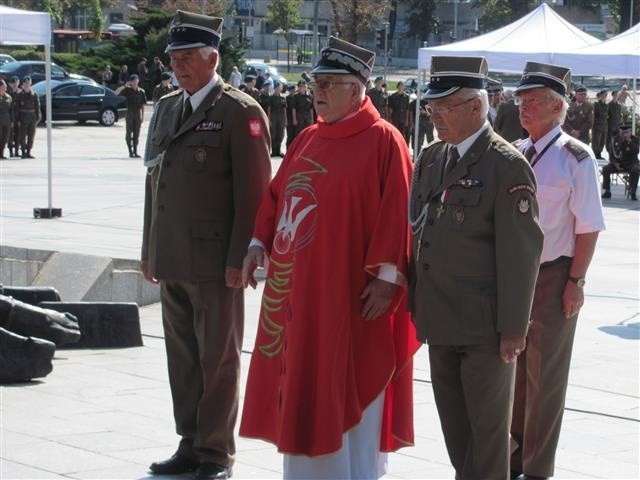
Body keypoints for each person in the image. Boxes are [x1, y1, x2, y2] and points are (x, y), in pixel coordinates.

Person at [239, 36, 419, 479]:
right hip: (297, 297)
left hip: (349, 298)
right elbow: (278, 195)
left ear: (358, 90)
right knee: (303, 386)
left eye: (330, 83)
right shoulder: (307, 138)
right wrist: (258, 244)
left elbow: (400, 209)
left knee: (345, 388)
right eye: (316, 82)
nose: (317, 91)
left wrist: (389, 277)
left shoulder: (384, 140)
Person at [141, 10, 271, 480]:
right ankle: (190, 441)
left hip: (217, 263)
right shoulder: (168, 107)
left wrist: (242, 256)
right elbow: (155, 183)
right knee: (183, 358)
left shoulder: (240, 111)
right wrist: (148, 248)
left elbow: (255, 193)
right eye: (174, 57)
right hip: (173, 255)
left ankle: (217, 452)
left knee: (218, 359)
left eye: (187, 57)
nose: (178, 65)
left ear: (212, 57)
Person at [409, 56, 543, 480]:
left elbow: (521, 254)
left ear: (476, 106)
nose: (435, 118)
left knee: (487, 438)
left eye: (445, 108)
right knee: (456, 432)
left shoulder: (505, 165)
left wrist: (514, 328)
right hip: (440, 317)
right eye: (432, 108)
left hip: (485, 327)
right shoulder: (431, 158)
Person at [511, 61, 606, 480]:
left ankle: (536, 469)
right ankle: (510, 460)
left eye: (532, 101)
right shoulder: (514, 151)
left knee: (544, 379)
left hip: (552, 275)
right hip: (513, 278)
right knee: (510, 372)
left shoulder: (576, 158)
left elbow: (588, 228)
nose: (523, 107)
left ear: (556, 107)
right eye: (521, 100)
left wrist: (576, 283)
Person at [602, 125, 639, 200]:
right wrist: (615, 163)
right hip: (618, 163)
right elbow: (611, 154)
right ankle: (607, 191)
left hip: (631, 163)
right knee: (606, 169)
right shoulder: (615, 139)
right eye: (622, 133)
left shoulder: (635, 139)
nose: (624, 134)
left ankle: (633, 192)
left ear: (630, 132)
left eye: (626, 132)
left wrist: (629, 141)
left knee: (635, 170)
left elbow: (636, 151)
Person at [115, 75, 146, 158]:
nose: (135, 82)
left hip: (137, 113)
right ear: (131, 82)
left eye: (136, 81)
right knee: (129, 133)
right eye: (134, 81)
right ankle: (130, 151)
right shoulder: (127, 90)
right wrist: (125, 85)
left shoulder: (141, 91)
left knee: (136, 134)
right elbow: (116, 93)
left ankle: (135, 151)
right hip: (130, 112)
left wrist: (143, 116)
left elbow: (143, 105)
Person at [15, 76, 40, 159]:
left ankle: (28, 151)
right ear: (23, 84)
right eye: (25, 83)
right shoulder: (19, 95)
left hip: (32, 116)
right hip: (23, 116)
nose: (27, 85)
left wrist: (38, 117)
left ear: (31, 84)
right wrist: (17, 119)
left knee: (31, 135)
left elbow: (37, 107)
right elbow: (17, 108)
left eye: (28, 83)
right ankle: (23, 152)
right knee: (22, 135)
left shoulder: (34, 94)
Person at [388, 81, 410, 145]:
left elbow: (407, 109)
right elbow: (390, 108)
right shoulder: (393, 96)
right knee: (394, 132)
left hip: (403, 118)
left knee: (402, 134)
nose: (401, 88)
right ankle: (393, 145)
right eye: (400, 86)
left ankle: (400, 145)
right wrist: (390, 118)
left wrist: (407, 120)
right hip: (395, 117)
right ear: (397, 87)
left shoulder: (406, 97)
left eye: (402, 86)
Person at [268, 81, 286, 156]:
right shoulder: (271, 98)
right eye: (277, 88)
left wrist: (285, 120)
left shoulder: (283, 98)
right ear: (275, 88)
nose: (278, 89)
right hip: (273, 117)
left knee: (280, 134)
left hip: (281, 117)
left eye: (279, 87)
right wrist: (269, 120)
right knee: (273, 134)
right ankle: (274, 151)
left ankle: (278, 151)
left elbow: (284, 109)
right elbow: (269, 109)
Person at [606, 90, 623, 159]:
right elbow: (607, 116)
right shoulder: (609, 105)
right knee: (609, 141)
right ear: (612, 95)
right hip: (610, 126)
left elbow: (619, 115)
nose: (616, 96)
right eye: (615, 95)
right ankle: (610, 155)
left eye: (617, 95)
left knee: (617, 141)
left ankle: (615, 155)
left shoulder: (619, 105)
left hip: (617, 126)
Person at [7, 76, 21, 158]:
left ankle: (16, 151)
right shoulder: (8, 93)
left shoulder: (20, 93)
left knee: (19, 135)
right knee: (10, 135)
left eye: (16, 83)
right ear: (10, 84)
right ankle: (11, 151)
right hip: (10, 117)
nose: (15, 85)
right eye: (13, 83)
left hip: (19, 117)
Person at [0, 79, 11, 159]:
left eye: (6, 87)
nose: (5, 88)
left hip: (6, 119)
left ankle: (1, 154)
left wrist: (12, 120)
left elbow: (11, 109)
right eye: (4, 86)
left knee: (5, 137)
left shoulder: (8, 97)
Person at [285, 83, 297, 148]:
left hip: (294, 118)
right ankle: (288, 149)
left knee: (294, 135)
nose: (293, 91)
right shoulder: (288, 98)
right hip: (290, 119)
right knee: (290, 135)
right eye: (291, 90)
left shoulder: (295, 97)